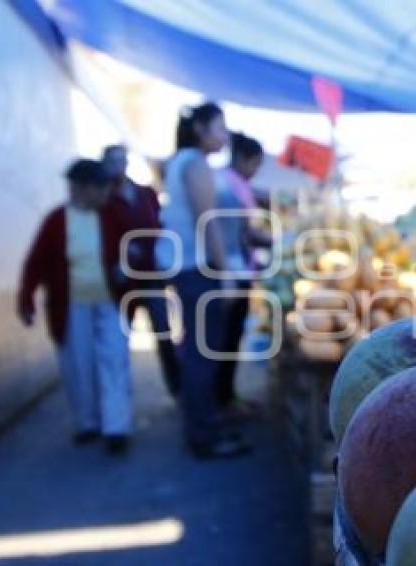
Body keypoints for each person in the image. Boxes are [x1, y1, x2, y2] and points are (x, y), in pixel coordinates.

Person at [17, 159, 134, 455]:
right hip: (71, 305)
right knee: (78, 364)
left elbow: (135, 247)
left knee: (114, 359)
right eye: (102, 188)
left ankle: (116, 426)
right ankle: (87, 422)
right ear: (82, 189)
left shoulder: (113, 215)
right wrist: (26, 298)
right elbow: (36, 262)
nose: (107, 193)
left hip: (110, 300)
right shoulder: (56, 221)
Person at [156, 102, 251, 459]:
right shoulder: (194, 163)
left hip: (188, 268)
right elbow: (207, 219)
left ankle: (205, 425)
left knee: (200, 351)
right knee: (203, 354)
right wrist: (225, 273)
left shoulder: (181, 161)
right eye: (220, 128)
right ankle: (204, 437)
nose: (224, 136)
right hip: (198, 269)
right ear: (199, 127)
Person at [102, 144, 180, 398]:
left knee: (164, 335)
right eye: (113, 160)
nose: (119, 165)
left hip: (151, 277)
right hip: (121, 283)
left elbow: (160, 226)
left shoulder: (145, 194)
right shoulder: (103, 200)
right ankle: (118, 400)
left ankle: (177, 390)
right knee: (118, 342)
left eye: (122, 159)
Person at [214, 132, 271, 413]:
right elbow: (243, 233)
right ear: (243, 159)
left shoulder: (236, 184)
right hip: (232, 275)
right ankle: (222, 400)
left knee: (230, 340)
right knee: (226, 341)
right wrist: (277, 242)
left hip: (239, 271)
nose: (256, 171)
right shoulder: (230, 186)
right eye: (256, 164)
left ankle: (225, 397)